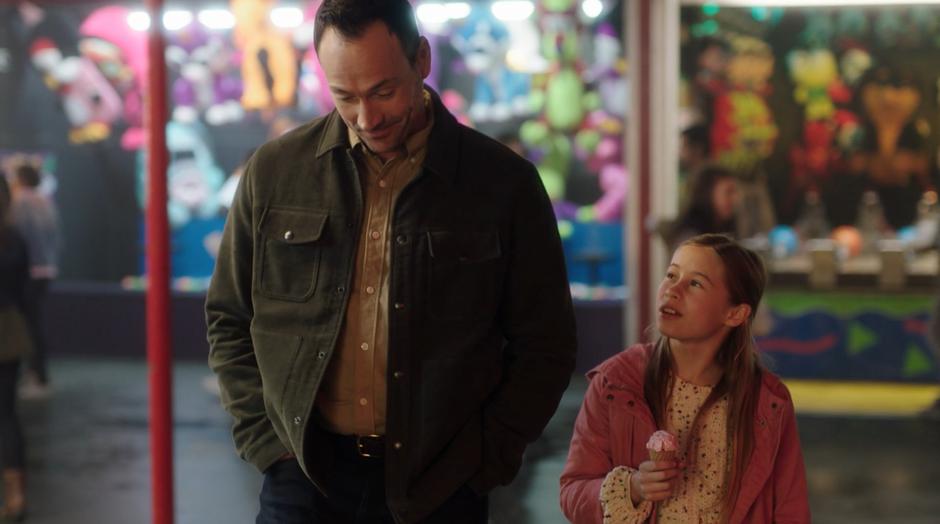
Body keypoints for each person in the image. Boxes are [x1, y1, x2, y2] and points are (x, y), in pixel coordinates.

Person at [205, 1, 577, 523]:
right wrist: (267, 443)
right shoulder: (275, 172)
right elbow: (228, 315)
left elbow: (547, 343)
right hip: (303, 478)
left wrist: (486, 458)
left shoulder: (502, 184)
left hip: (441, 485)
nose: (366, 116)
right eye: (345, 96)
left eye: (383, 90)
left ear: (421, 59)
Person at [560, 234, 809, 523]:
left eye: (695, 283)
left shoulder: (769, 402)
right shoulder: (616, 382)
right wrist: (634, 488)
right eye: (671, 274)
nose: (672, 290)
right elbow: (572, 491)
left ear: (735, 313)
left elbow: (791, 510)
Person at [9, 163, 59, 398]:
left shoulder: (20, 202)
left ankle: (35, 375)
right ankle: (38, 374)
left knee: (26, 324)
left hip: (28, 271)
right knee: (34, 322)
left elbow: (19, 237)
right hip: (46, 270)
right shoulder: (45, 202)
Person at [0, 174, 31, 522]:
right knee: (7, 416)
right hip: (9, 330)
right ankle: (17, 497)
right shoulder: (14, 239)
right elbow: (23, 291)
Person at [662, 166, 739, 252]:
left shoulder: (721, 229)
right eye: (728, 192)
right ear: (707, 194)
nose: (735, 198)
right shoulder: (691, 241)